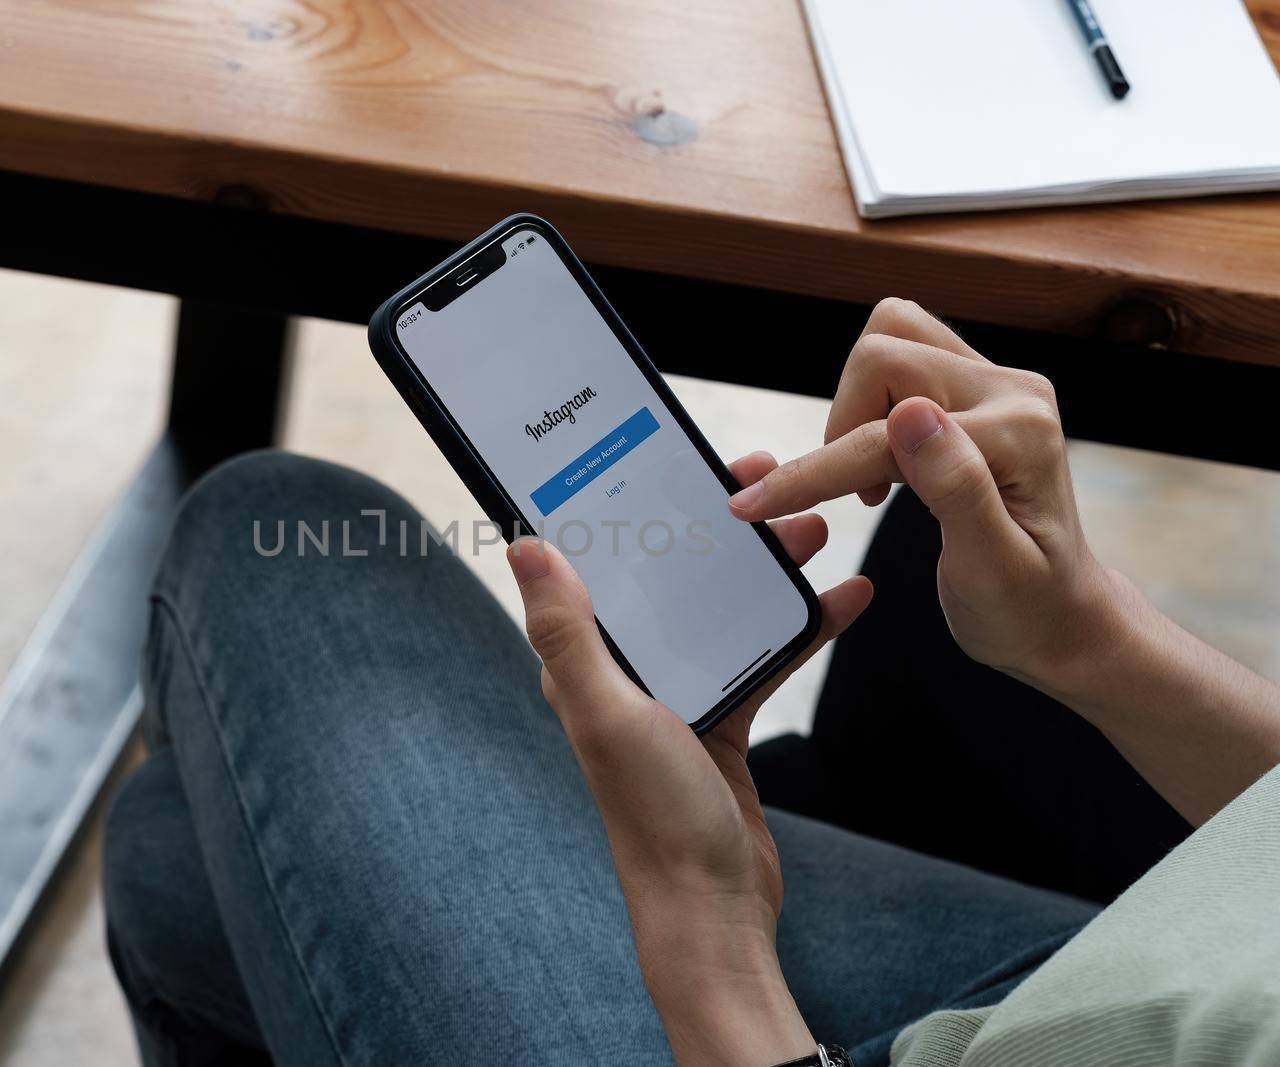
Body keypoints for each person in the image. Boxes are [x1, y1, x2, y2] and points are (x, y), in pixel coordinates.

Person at [102, 299, 1280, 1066]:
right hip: (1132, 988)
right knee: (187, 841)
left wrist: (706, 930)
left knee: (278, 535)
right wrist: (1082, 633)